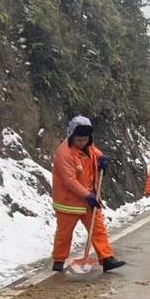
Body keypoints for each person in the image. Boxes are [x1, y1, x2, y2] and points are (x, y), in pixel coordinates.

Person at [51, 115, 126, 273]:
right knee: (64, 234)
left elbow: (95, 153)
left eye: (85, 139)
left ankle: (107, 259)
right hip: (69, 202)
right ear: (71, 136)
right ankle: (59, 260)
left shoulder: (89, 146)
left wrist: (102, 159)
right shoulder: (64, 153)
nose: (82, 143)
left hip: (89, 199)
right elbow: (70, 181)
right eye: (79, 140)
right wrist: (87, 195)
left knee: (98, 229)